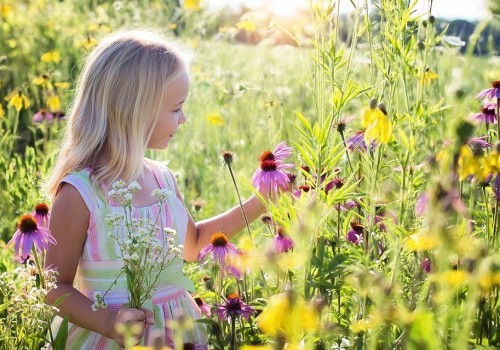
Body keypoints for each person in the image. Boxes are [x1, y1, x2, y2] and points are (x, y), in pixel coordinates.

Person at [44, 29, 267, 349]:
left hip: (178, 332)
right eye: (176, 108)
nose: (184, 118)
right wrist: (107, 321)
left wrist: (260, 202)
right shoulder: (80, 193)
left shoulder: (163, 179)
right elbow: (55, 288)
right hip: (108, 338)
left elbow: (193, 245)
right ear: (136, 112)